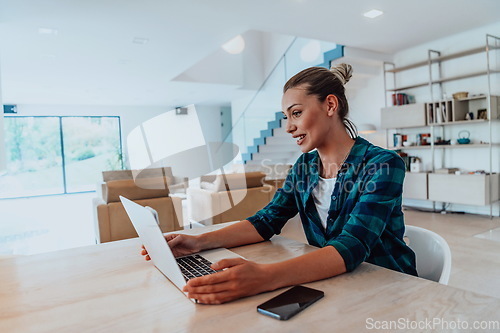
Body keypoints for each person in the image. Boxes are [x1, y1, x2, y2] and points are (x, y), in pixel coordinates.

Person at [141, 64, 417, 304]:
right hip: (336, 282)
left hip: (387, 286)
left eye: (296, 113)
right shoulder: (305, 167)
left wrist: (264, 276)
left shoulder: (382, 164)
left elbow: (352, 246)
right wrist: (197, 242)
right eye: (286, 116)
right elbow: (266, 221)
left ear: (330, 105)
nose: (288, 127)